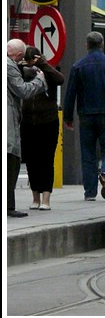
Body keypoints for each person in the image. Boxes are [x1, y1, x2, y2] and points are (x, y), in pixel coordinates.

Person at [63, 31, 105, 201]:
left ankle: (90, 192)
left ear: (87, 45)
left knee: (88, 153)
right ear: (102, 44)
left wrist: (67, 116)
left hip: (86, 115)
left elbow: (70, 93)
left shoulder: (78, 66)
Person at [20, 46, 65, 210]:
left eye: (33, 59)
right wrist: (20, 65)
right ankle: (35, 197)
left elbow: (60, 79)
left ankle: (46, 199)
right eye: (28, 60)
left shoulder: (48, 72)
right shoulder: (22, 73)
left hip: (48, 122)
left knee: (46, 160)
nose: (31, 63)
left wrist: (43, 64)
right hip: (28, 123)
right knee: (32, 162)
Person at [6, 39, 47, 218]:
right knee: (11, 163)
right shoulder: (9, 66)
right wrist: (40, 80)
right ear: (18, 55)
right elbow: (23, 90)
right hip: (7, 122)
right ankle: (8, 206)